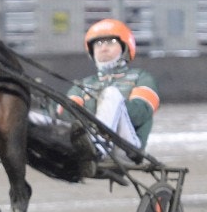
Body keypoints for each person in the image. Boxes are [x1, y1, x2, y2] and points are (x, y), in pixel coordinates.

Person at [65, 18, 160, 165]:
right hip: (85, 144)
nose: (103, 48)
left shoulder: (141, 77)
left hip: (127, 148)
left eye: (111, 43)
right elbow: (65, 117)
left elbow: (140, 114)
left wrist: (99, 102)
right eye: (98, 44)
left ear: (125, 47)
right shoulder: (83, 84)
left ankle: (97, 146)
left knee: (111, 93)